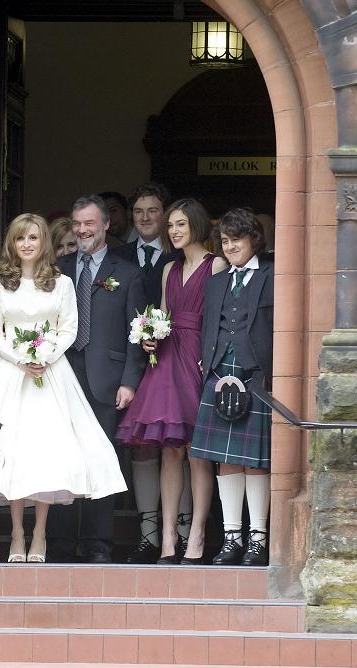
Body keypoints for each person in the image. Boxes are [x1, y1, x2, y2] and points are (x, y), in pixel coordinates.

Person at [0, 213, 126, 563]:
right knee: (12, 454)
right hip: (10, 373)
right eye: (20, 238)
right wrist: (20, 358)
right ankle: (17, 534)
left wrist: (44, 355)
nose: (27, 244)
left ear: (44, 244)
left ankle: (39, 533)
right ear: (12, 243)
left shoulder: (62, 283)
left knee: (46, 455)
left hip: (51, 373)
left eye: (34, 238)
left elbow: (68, 328)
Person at [116, 199, 228, 564]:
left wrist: (209, 358)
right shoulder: (168, 269)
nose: (174, 232)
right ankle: (167, 538)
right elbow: (162, 314)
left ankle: (196, 535)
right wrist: (150, 335)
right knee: (169, 450)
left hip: (198, 358)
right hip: (165, 359)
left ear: (196, 225)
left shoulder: (217, 265)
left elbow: (220, 318)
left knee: (198, 453)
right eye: (171, 227)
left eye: (180, 224)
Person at [46, 195, 148, 563]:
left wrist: (130, 381)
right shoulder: (56, 269)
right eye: (77, 223)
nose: (82, 230)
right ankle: (58, 542)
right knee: (62, 459)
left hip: (107, 381)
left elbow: (136, 332)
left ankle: (97, 544)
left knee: (101, 460)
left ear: (106, 225)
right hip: (60, 379)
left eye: (89, 223)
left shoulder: (128, 272)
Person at [191, 208, 274, 566]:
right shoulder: (216, 282)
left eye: (236, 240)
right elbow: (210, 325)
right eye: (224, 241)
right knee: (225, 460)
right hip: (218, 372)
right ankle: (231, 537)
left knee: (255, 462)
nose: (230, 247)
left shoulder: (273, 276)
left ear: (253, 239)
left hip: (257, 373)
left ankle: (258, 538)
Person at [113, 182, 186, 563]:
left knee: (176, 445)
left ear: (165, 214)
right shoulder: (117, 255)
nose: (145, 218)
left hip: (172, 361)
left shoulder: (180, 254)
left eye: (153, 211)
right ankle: (148, 533)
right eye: (138, 211)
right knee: (142, 449)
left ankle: (185, 533)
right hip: (127, 364)